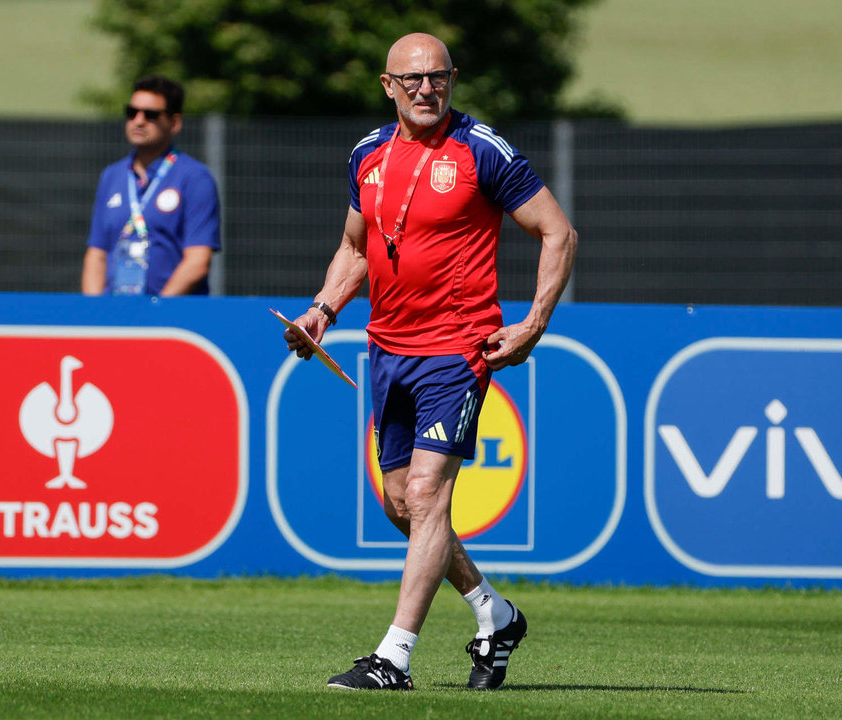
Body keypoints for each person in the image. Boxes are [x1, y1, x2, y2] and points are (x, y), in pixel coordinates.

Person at [283, 33, 577, 691]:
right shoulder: (366, 154)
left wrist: (533, 323)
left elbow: (558, 232)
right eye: (411, 79)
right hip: (387, 348)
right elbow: (355, 250)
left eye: (437, 77)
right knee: (399, 503)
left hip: (455, 352)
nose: (425, 89)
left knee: (425, 493)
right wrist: (321, 314)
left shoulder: (483, 150)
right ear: (386, 85)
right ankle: (492, 613)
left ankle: (393, 657)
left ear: (452, 80)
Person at [82, 75, 221, 296]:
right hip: (116, 316)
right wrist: (95, 312)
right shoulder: (112, 175)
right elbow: (97, 254)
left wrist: (155, 314)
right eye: (131, 112)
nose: (138, 120)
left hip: (171, 319)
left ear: (174, 123)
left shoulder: (195, 177)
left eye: (151, 114)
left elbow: (197, 261)